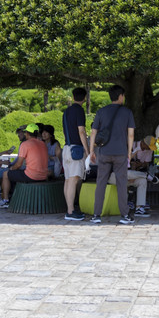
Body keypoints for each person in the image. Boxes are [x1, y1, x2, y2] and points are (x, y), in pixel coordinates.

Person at [89, 85, 136, 225]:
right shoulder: (127, 112)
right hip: (120, 153)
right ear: (121, 96)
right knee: (122, 184)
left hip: (104, 153)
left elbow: (93, 132)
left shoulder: (101, 112)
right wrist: (129, 152)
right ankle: (125, 215)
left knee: (101, 183)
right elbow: (131, 134)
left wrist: (91, 151)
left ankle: (96, 215)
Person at [62, 88, 90, 221]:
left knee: (68, 180)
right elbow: (81, 131)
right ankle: (70, 211)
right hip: (76, 150)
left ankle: (68, 208)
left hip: (66, 148)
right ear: (84, 98)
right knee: (73, 180)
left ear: (73, 97)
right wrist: (87, 150)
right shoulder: (79, 111)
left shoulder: (66, 111)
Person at [8, 124, 49, 193]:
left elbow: (18, 165)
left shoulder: (25, 144)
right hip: (44, 176)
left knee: (6, 174)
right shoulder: (43, 144)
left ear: (27, 133)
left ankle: (5, 199)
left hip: (31, 176)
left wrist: (11, 168)